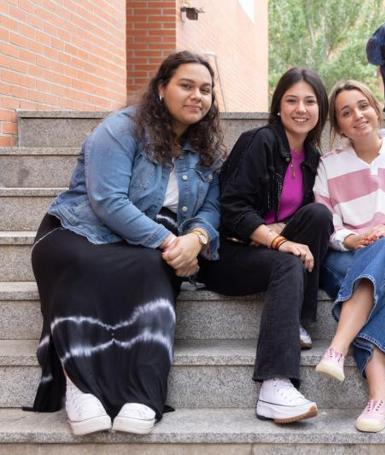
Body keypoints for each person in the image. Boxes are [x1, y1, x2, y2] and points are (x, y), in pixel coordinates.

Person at [28, 51, 224, 435]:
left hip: (148, 242)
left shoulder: (208, 151)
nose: (197, 96)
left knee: (155, 268)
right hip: (79, 230)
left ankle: (143, 392)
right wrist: (170, 240)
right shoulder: (121, 129)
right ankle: (79, 384)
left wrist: (196, 239)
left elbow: (213, 208)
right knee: (86, 265)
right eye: (186, 85)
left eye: (205, 90)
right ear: (162, 87)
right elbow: (107, 201)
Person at [197, 67, 333, 424]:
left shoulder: (313, 159)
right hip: (228, 252)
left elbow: (301, 218)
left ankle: (299, 320)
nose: (301, 109)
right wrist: (278, 239)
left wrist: (281, 235)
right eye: (292, 101)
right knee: (288, 261)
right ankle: (274, 385)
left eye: (310, 101)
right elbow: (231, 210)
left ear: (321, 109)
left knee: (319, 215)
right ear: (277, 107)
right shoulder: (261, 141)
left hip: (271, 244)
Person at [314, 80, 385, 433]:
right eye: (346, 112)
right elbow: (326, 221)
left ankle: (337, 347)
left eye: (363, 106)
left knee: (384, 256)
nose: (357, 116)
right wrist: (352, 237)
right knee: (375, 287)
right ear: (339, 125)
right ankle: (379, 400)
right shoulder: (329, 165)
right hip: (347, 256)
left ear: (376, 109)